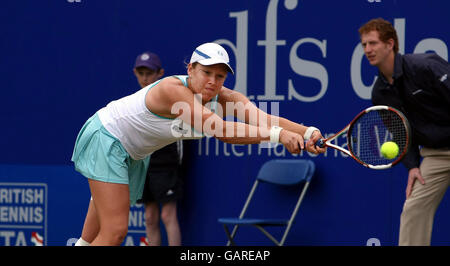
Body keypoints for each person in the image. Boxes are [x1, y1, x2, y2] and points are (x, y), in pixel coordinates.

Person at [71, 42, 326, 246]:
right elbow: (220, 129)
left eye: (220, 75)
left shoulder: (225, 97)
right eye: (206, 72)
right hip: (108, 137)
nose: (213, 81)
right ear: (190, 69)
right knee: (115, 232)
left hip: (132, 152)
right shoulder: (172, 89)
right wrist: (278, 136)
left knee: (90, 240)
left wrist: (308, 132)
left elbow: (266, 118)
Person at [74, 51, 185, 246]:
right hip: (135, 161)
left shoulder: (173, 99)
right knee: (149, 217)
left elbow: (184, 137)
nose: (144, 77)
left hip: (165, 167)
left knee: (168, 215)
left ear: (160, 73)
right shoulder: (132, 105)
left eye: (149, 73)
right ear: (134, 73)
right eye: (141, 73)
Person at [358, 18, 450, 246]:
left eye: (373, 43)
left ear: (390, 44)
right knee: (413, 208)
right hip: (436, 155)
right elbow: (401, 133)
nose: (367, 50)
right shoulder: (380, 93)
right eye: (364, 45)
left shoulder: (425, 66)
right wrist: (413, 166)